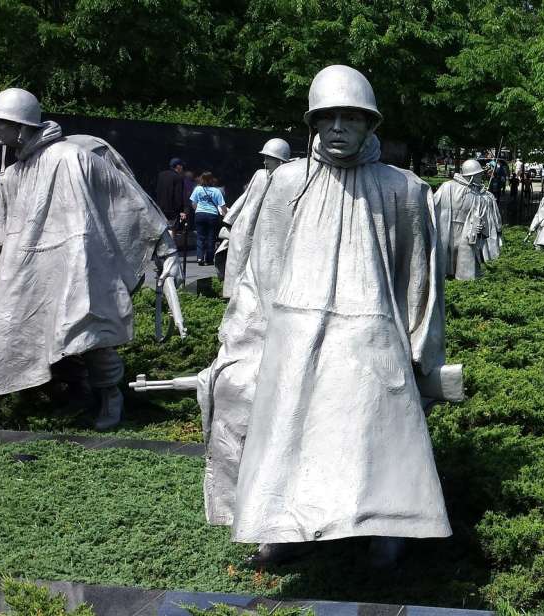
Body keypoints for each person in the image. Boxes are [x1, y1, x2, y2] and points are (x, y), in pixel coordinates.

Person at [196, 65, 457, 565]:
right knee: (290, 429)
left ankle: (386, 522)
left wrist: (419, 345)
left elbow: (419, 277)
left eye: (351, 118)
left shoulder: (403, 188)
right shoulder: (287, 183)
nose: (338, 128)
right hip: (295, 333)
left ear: (369, 124)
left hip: (372, 333)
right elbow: (261, 270)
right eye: (328, 117)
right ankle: (280, 525)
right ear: (313, 123)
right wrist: (244, 338)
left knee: (373, 431)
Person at [0, 87, 179, 430]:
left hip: (76, 260)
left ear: (21, 126)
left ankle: (110, 395)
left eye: (0, 122)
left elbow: (126, 195)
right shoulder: (11, 176)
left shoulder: (70, 157)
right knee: (25, 330)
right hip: (28, 268)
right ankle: (69, 390)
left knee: (87, 330)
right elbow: (6, 225)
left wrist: (164, 243)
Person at [218, 138, 292, 297]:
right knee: (242, 263)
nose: (265, 161)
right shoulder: (260, 176)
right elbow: (245, 198)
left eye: (269, 158)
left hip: (271, 231)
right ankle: (238, 295)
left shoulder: (288, 178)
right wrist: (229, 221)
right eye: (265, 157)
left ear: (280, 161)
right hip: (248, 228)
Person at [435, 159, 492, 280]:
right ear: (471, 176)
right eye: (478, 175)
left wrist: (480, 226)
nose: (481, 177)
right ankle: (446, 274)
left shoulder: (478, 194)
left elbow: (480, 215)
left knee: (464, 254)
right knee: (449, 251)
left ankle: (462, 277)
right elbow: (435, 205)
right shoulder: (448, 187)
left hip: (467, 228)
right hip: (448, 225)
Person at [190, 172, 225, 265]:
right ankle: (209, 259)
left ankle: (200, 258)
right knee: (211, 238)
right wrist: (225, 215)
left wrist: (198, 210)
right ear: (212, 180)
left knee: (200, 237)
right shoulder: (216, 191)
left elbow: (193, 203)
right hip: (212, 215)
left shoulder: (198, 189)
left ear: (202, 179)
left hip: (200, 214)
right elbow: (222, 205)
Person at [156, 157, 189, 223]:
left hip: (160, 207)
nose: (182, 167)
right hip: (172, 210)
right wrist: (180, 210)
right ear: (177, 166)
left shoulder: (161, 175)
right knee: (171, 229)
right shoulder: (178, 177)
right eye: (181, 165)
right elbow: (178, 195)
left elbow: (157, 190)